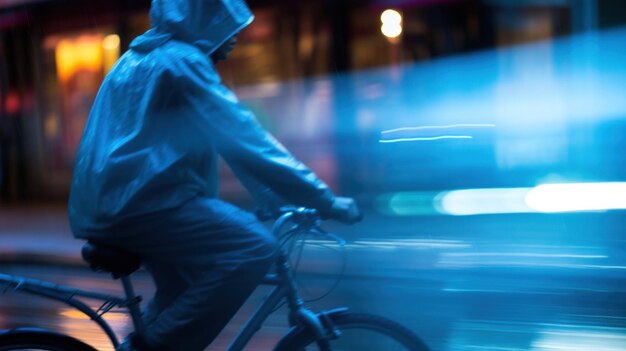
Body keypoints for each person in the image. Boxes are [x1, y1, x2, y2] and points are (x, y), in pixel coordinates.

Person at [67, 0, 361, 350]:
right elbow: (244, 136)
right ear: (201, 20)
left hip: (117, 202)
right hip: (146, 202)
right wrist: (324, 200)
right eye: (225, 22)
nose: (236, 34)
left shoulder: (137, 59)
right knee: (253, 246)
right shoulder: (182, 61)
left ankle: (147, 344)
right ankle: (150, 347)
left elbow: (228, 143)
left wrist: (269, 198)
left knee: (184, 290)